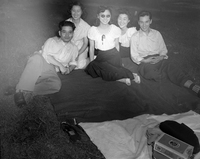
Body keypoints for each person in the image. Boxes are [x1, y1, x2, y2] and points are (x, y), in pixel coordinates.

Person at [130, 10, 200, 97]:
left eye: (147, 22)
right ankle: (172, 89)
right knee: (153, 74)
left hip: (159, 59)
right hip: (145, 63)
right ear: (138, 22)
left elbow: (163, 49)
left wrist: (161, 57)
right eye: (141, 22)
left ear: (151, 21)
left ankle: (194, 87)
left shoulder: (157, 34)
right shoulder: (135, 37)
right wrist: (145, 60)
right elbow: (134, 55)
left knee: (173, 69)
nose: (144, 25)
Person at [14, 21, 79, 107]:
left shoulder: (74, 48)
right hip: (42, 63)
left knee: (56, 85)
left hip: (52, 71)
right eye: (64, 31)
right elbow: (46, 56)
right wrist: (60, 65)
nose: (67, 35)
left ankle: (25, 90)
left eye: (70, 32)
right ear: (59, 33)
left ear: (73, 33)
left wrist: (69, 69)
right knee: (36, 58)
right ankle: (19, 91)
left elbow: (74, 62)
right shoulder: (51, 41)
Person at [85, 6, 140, 85]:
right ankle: (123, 79)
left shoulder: (114, 29)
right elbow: (91, 48)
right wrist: (91, 62)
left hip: (113, 55)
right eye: (102, 15)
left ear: (110, 16)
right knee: (93, 67)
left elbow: (117, 45)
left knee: (103, 69)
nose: (105, 18)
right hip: (101, 55)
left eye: (108, 16)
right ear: (98, 16)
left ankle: (130, 75)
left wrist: (119, 60)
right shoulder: (93, 30)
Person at [66, 1, 90, 69]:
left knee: (79, 65)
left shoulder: (86, 26)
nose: (75, 13)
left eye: (78, 11)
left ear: (82, 12)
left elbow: (85, 43)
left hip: (81, 48)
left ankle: (91, 59)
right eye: (73, 11)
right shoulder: (66, 23)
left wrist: (77, 54)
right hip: (68, 47)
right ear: (70, 11)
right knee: (65, 62)